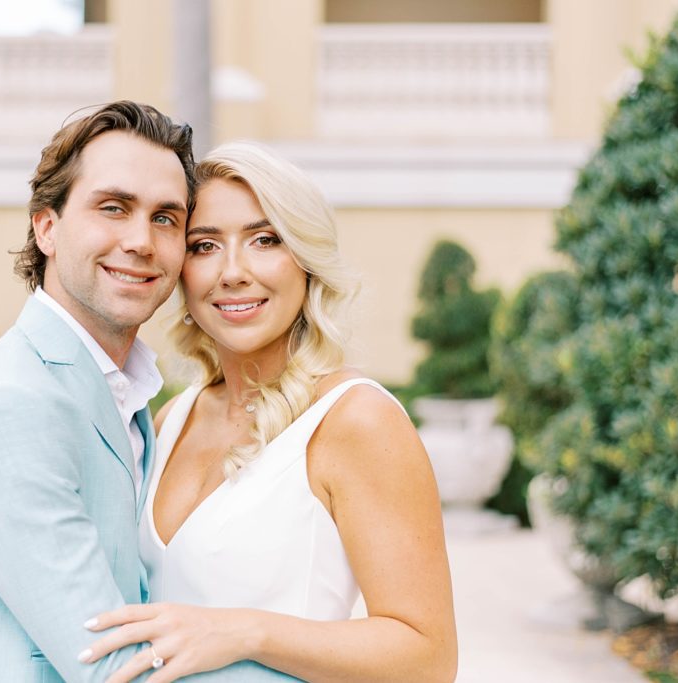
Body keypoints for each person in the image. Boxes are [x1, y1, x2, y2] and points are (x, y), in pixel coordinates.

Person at [0, 103, 295, 682]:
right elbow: (117, 667)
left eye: (167, 219)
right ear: (47, 227)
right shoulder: (11, 404)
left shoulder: (131, 401)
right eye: (113, 208)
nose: (141, 241)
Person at [80, 142, 459, 682]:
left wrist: (244, 631)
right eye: (205, 245)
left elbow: (429, 658)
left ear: (305, 259)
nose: (233, 273)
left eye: (264, 240)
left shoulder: (356, 420)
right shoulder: (170, 420)